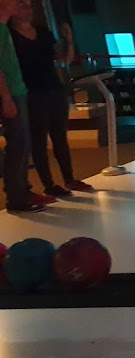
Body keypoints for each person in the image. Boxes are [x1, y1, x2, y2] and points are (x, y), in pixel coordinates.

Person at [10, 0, 92, 197]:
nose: (28, 9)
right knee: (38, 139)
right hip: (32, 92)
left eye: (29, 6)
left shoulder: (43, 32)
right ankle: (48, 184)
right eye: (23, 6)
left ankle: (69, 178)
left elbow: (63, 60)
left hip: (54, 88)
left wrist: (69, 41)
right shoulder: (10, 36)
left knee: (60, 136)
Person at [0, 0, 49, 212]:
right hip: (11, 93)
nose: (20, 4)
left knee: (23, 144)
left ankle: (22, 190)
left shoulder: (4, 28)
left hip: (18, 91)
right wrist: (6, 98)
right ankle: (17, 198)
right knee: (18, 145)